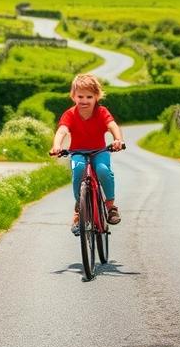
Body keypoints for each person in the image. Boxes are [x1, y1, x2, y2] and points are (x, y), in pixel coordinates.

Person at [49, 72, 124, 235]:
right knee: (78, 170)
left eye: (89, 97)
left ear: (97, 97)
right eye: (80, 96)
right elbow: (62, 131)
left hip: (100, 151)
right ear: (73, 96)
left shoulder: (102, 111)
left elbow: (112, 125)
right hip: (78, 152)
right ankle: (79, 208)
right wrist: (56, 146)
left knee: (103, 170)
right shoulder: (70, 114)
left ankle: (110, 206)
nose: (84, 100)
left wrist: (118, 139)